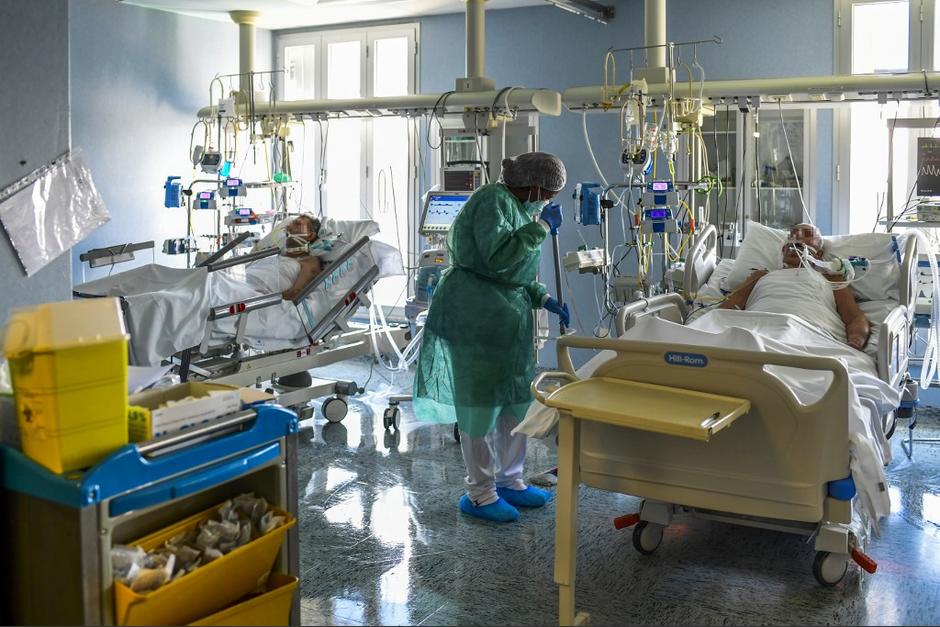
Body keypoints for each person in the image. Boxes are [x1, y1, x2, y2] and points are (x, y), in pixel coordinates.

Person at [413, 151, 570, 523]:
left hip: (507, 322)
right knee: (480, 407)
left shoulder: (520, 208)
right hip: (474, 316)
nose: (546, 201)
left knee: (514, 402)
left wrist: (541, 296)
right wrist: (542, 229)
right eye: (547, 193)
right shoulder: (491, 200)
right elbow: (497, 260)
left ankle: (510, 480)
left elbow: (516, 270)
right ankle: (480, 493)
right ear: (533, 185)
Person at [719, 223, 871, 350]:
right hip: (757, 335)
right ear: (784, 250)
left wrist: (855, 341)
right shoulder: (760, 276)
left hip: (815, 337)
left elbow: (854, 318)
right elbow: (726, 310)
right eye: (793, 234)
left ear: (818, 254)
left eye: (807, 234)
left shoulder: (831, 279)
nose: (797, 236)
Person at [280, 214, 323, 301]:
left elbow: (293, 294)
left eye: (297, 224)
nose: (289, 227)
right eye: (291, 223)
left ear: (310, 236)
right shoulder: (278, 256)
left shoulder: (310, 262)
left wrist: (261, 296)